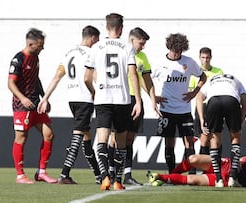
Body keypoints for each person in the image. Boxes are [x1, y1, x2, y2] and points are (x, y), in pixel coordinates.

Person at [84, 13, 142, 191]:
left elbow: (86, 78)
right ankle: (117, 180)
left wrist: (95, 92)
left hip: (103, 99)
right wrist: (138, 101)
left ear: (106, 27)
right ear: (122, 28)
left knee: (102, 140)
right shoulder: (127, 46)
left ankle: (104, 177)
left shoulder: (96, 47)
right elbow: (133, 73)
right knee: (121, 141)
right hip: (122, 100)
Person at [37, 25, 101, 184]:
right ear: (92, 38)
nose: (97, 43)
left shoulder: (69, 53)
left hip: (72, 98)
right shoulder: (91, 53)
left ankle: (99, 176)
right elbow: (94, 76)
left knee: (86, 136)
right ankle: (65, 174)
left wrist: (45, 97)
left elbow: (57, 77)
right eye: (97, 40)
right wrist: (98, 91)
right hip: (85, 98)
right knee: (79, 134)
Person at [108, 27, 161, 186]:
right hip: (119, 100)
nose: (143, 46)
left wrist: (152, 98)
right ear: (132, 40)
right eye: (141, 43)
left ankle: (127, 174)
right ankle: (111, 172)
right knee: (115, 138)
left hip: (135, 101)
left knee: (130, 139)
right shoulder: (120, 51)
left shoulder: (142, 57)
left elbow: (146, 80)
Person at [7, 28, 57, 184]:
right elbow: (10, 83)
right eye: (40, 45)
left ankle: (41, 172)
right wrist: (22, 98)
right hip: (22, 106)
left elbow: (36, 79)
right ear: (31, 43)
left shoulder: (35, 59)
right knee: (21, 137)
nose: (43, 48)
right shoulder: (18, 59)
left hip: (35, 104)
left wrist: (44, 98)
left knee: (49, 134)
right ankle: (20, 175)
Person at [152, 33, 207, 174]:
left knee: (189, 141)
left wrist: (194, 92)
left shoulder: (188, 62)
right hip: (166, 110)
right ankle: (172, 173)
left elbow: (203, 76)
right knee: (169, 142)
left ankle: (191, 173)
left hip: (184, 110)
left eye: (180, 51)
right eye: (175, 51)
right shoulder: (159, 63)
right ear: (169, 48)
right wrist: (153, 97)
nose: (177, 54)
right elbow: (144, 80)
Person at [196, 73, 246, 187]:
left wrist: (201, 119)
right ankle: (233, 178)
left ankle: (218, 179)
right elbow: (244, 101)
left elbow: (199, 97)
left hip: (214, 101)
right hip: (231, 100)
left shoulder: (211, 80)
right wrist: (241, 122)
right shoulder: (236, 79)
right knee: (235, 138)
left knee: (214, 138)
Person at [147, 152, 246, 188]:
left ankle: (160, 177)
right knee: (193, 159)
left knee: (192, 180)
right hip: (227, 166)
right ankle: (170, 175)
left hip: (227, 181)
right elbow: (243, 160)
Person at [189, 47, 223, 155]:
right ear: (199, 58)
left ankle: (213, 167)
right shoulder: (195, 73)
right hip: (202, 107)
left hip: (215, 106)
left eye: (207, 57)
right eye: (203, 57)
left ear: (211, 58)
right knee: (204, 138)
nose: (205, 60)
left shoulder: (218, 72)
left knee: (215, 137)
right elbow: (191, 91)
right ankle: (203, 167)